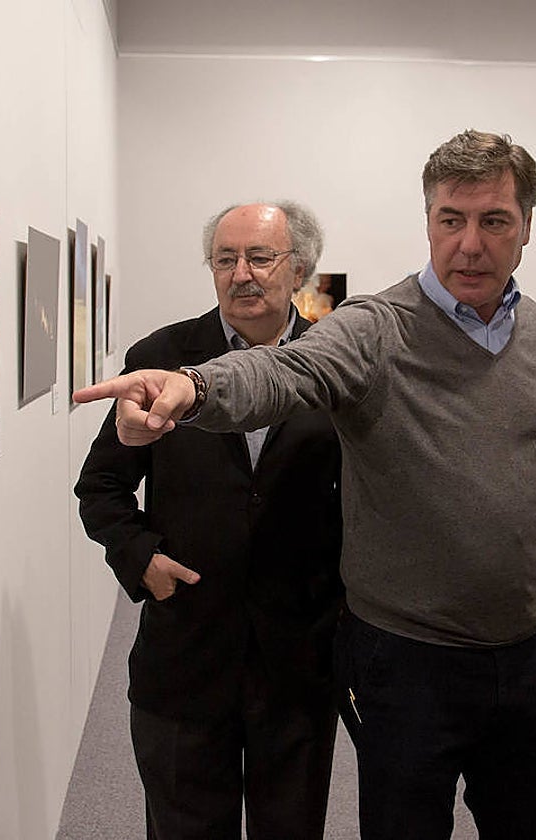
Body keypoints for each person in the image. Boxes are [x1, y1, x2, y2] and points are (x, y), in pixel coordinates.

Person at [74, 130, 536, 840]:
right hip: (230, 645)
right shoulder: (361, 335)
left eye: (494, 220)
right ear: (428, 222)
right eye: (450, 219)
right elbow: (277, 376)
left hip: (336, 648)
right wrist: (190, 388)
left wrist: (477, 527)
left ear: (526, 228)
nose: (470, 242)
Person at [75, 201, 344, 839]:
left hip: (298, 656)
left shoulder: (337, 363)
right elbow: (102, 485)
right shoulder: (163, 355)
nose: (241, 274)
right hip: (186, 654)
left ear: (299, 268)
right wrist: (139, 558)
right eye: (225, 259)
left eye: (259, 257)